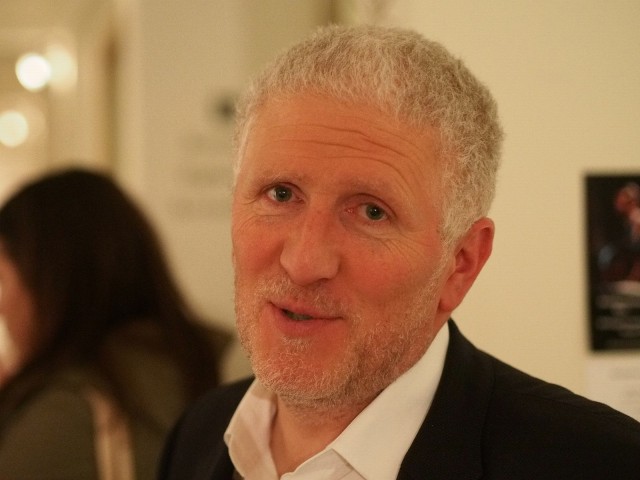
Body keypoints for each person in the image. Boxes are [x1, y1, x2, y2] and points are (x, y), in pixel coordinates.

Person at [158, 24, 640, 479]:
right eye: (280, 194)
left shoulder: (600, 464)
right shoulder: (197, 435)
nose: (303, 263)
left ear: (461, 263)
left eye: (372, 212)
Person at [0, 168, 229, 479]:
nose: (1, 306)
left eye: (2, 279)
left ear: (50, 280)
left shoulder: (63, 415)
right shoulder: (224, 364)